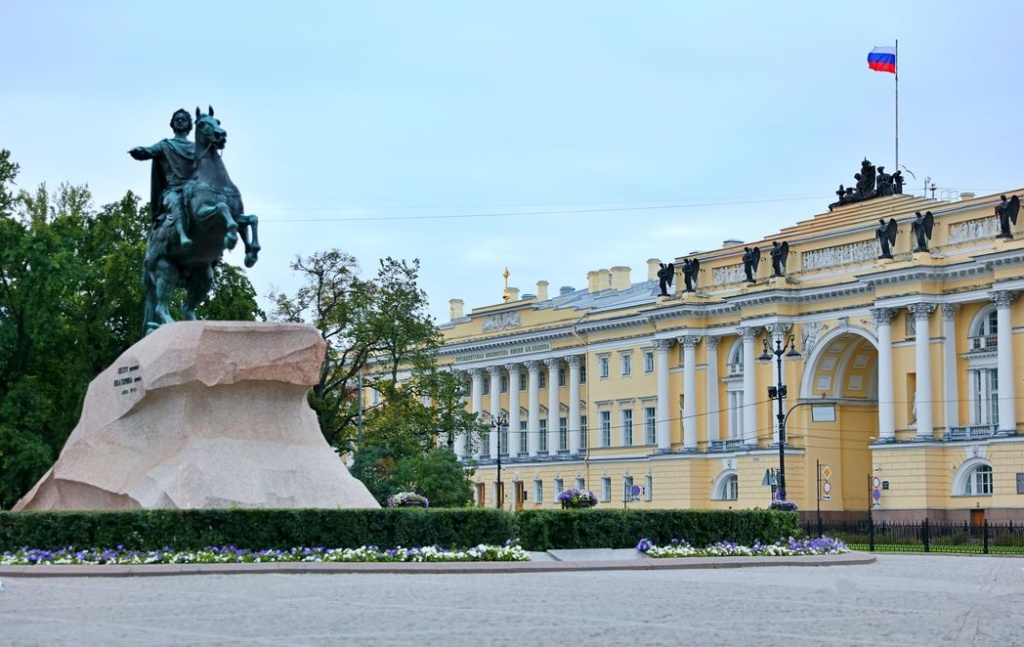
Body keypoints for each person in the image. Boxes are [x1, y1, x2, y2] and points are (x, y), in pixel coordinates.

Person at [129, 109, 196, 248]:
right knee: (175, 203)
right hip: (173, 191)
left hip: (193, 191)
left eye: (183, 119)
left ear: (189, 125)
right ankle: (182, 236)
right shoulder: (165, 145)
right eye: (177, 119)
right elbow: (149, 151)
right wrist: (139, 152)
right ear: (172, 124)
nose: (180, 121)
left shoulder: (196, 148)